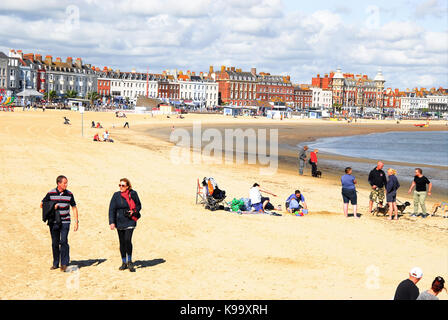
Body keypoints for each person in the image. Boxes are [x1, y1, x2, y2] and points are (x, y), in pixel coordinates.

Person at [40, 175, 79, 272]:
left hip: (66, 221)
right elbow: (42, 204)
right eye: (64, 183)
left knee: (64, 241)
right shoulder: (50, 193)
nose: (66, 184)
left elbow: (74, 207)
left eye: (66, 183)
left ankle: (64, 264)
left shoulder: (69, 194)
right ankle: (55, 263)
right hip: (53, 222)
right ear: (59, 183)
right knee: (55, 243)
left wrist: (76, 222)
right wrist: (52, 206)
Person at [109, 178, 142, 272]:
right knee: (122, 242)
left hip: (130, 220)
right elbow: (112, 209)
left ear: (128, 186)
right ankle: (124, 262)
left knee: (128, 240)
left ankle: (130, 261)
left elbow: (139, 205)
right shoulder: (116, 195)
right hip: (119, 221)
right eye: (119, 185)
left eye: (123, 185)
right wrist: (112, 222)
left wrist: (133, 211)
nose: (121, 187)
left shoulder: (133, 194)